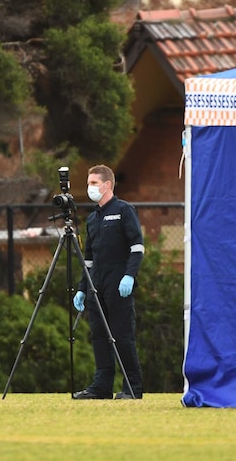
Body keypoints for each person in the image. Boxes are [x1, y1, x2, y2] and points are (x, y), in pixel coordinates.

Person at [72, 164, 145, 400]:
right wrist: (82, 288)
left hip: (119, 283)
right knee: (99, 335)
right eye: (89, 182)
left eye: (94, 183)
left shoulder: (124, 211)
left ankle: (132, 388)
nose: (90, 187)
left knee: (122, 335)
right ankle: (101, 387)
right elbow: (89, 259)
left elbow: (137, 247)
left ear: (107, 185)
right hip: (96, 286)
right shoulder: (92, 219)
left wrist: (130, 275)